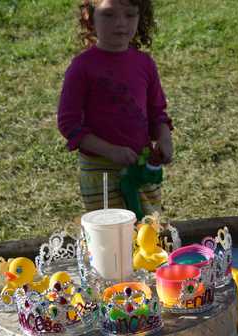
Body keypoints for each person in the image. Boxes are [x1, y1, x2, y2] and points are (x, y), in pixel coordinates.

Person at [57, 0, 173, 214]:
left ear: (141, 17)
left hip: (141, 167)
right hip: (100, 171)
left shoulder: (145, 64)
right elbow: (68, 123)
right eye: (108, 15)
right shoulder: (82, 67)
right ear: (90, 18)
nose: (120, 23)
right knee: (111, 237)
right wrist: (110, 151)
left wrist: (164, 139)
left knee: (147, 232)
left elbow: (157, 113)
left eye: (130, 15)